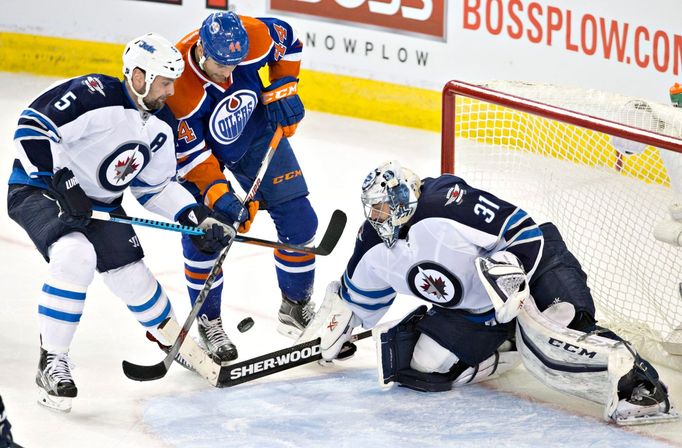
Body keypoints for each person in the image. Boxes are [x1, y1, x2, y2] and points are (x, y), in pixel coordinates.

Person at [312, 160, 677, 424]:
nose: (378, 215)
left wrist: (511, 277)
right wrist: (335, 326)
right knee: (422, 369)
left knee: (555, 338)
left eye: (384, 205)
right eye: (372, 208)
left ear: (405, 197)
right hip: (476, 308)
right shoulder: (372, 241)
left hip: (536, 267)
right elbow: (358, 297)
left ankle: (640, 386)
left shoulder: (447, 203)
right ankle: (510, 344)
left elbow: (525, 231)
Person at [6, 33, 234, 412]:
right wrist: (61, 180)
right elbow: (31, 128)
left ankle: (175, 343)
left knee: (133, 276)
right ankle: (52, 362)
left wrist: (191, 213)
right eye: (164, 82)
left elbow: (155, 187)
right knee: (75, 254)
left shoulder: (161, 125)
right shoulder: (93, 94)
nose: (170, 90)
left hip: (99, 203)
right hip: (40, 189)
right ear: (140, 76)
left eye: (173, 82)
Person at [165, 11, 317, 363]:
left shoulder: (255, 36)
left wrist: (283, 88)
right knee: (207, 234)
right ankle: (209, 321)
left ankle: (295, 307)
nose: (229, 73)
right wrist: (222, 196)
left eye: (236, 64)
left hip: (255, 131)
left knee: (300, 221)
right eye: (221, 65)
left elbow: (290, 40)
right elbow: (190, 157)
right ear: (202, 49)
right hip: (201, 155)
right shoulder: (178, 87)